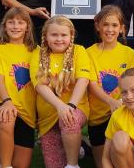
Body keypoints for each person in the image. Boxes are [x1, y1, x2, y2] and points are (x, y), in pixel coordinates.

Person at [30, 16, 92, 168]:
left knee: (69, 121)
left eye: (64, 35)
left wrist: (70, 106)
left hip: (75, 108)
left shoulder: (78, 51)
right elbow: (40, 86)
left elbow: (83, 79)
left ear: (71, 36)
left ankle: (73, 164)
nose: (59, 39)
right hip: (48, 116)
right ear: (45, 36)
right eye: (54, 35)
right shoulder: (38, 54)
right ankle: (78, 146)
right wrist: (60, 106)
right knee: (55, 165)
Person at [86, 5, 134, 168]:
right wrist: (111, 102)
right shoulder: (89, 53)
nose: (110, 29)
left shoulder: (128, 53)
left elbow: (133, 82)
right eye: (106, 24)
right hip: (98, 116)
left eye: (114, 25)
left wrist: (120, 104)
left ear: (122, 28)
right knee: (103, 164)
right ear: (98, 26)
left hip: (123, 114)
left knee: (123, 157)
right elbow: (91, 84)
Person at [0, 7, 37, 168]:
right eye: (11, 22)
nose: (15, 26)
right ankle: (5, 166)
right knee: (7, 118)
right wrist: (7, 101)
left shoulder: (36, 51)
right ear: (4, 26)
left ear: (27, 27)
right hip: (4, 102)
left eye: (20, 22)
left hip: (27, 112)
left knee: (21, 165)